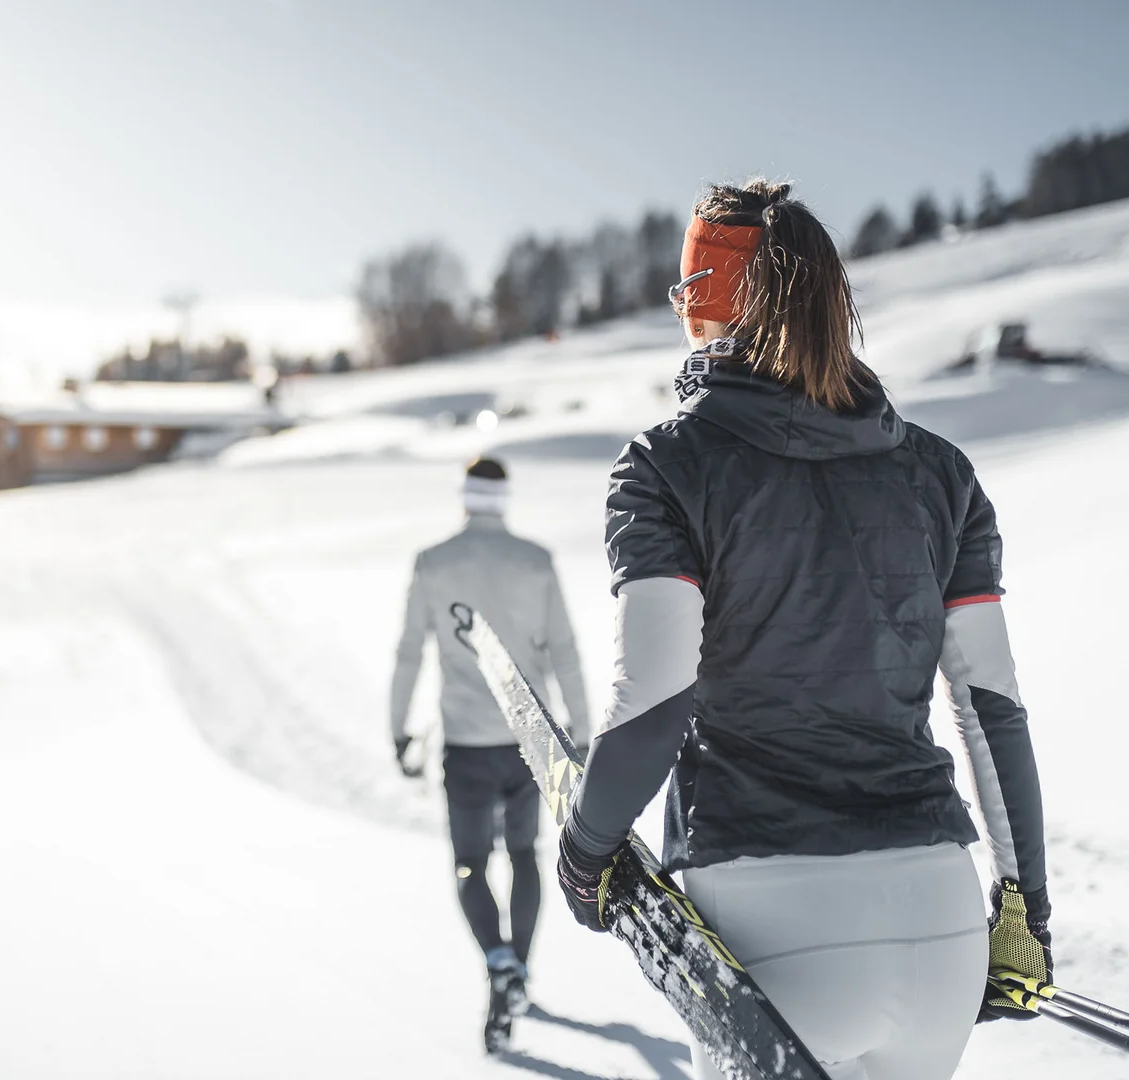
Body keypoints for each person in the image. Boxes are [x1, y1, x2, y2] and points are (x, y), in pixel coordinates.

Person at [555, 180, 1050, 1080]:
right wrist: (1026, 908)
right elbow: (991, 707)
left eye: (683, 291)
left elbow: (659, 697)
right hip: (938, 929)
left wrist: (587, 851)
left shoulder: (667, 464)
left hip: (771, 921)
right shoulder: (942, 473)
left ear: (705, 299)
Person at [391, 457, 590, 1024]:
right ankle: (519, 970)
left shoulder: (433, 563)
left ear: (465, 497)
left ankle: (499, 961)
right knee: (524, 853)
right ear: (503, 499)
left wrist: (398, 729)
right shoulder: (537, 562)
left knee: (471, 863)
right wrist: (580, 731)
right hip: (531, 739)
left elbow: (409, 653)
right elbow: (565, 651)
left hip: (466, 740)